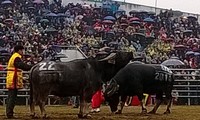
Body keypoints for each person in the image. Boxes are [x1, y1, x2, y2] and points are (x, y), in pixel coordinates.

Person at [6, 45, 32, 119]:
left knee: (11, 96)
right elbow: (21, 66)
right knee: (12, 97)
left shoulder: (14, 56)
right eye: (22, 50)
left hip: (13, 78)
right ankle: (9, 113)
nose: (23, 52)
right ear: (19, 50)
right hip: (13, 79)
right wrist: (31, 67)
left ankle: (9, 113)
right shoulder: (17, 57)